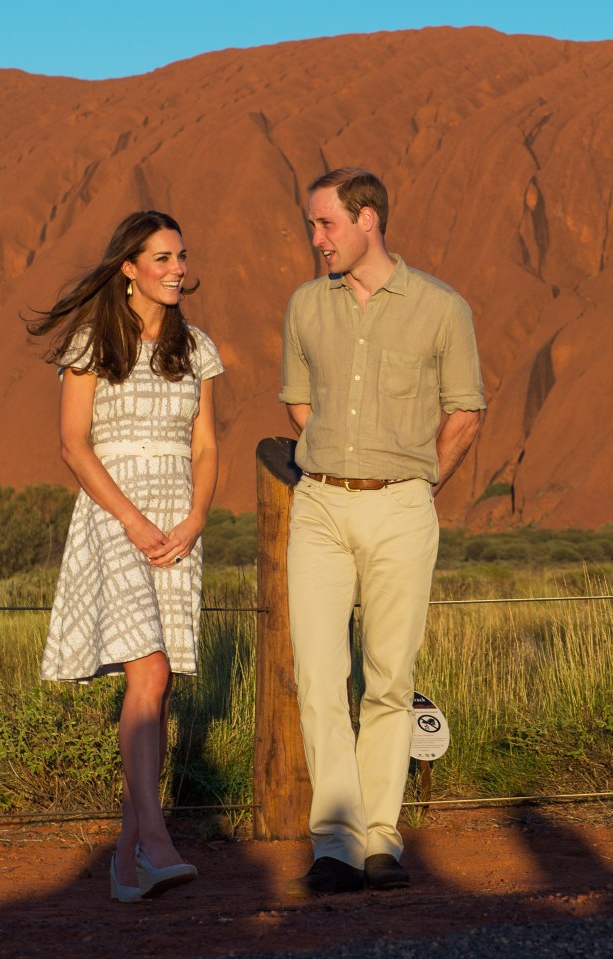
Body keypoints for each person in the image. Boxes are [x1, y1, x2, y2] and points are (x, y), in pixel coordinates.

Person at [279, 167, 485, 897]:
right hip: (321, 507)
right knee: (318, 676)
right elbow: (299, 404)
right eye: (311, 224)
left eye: (325, 223)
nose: (315, 238)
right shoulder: (306, 305)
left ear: (368, 219)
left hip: (402, 505)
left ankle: (379, 839)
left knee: (389, 679)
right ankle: (332, 841)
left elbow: (464, 411)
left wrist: (417, 480)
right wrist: (338, 463)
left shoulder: (439, 308)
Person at [29, 210, 223, 902]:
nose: (177, 268)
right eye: (162, 257)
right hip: (116, 515)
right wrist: (135, 520)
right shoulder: (91, 341)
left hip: (177, 520)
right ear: (129, 269)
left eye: (180, 255)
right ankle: (156, 839)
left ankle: (124, 858)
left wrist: (194, 518)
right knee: (149, 666)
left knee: (156, 683)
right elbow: (73, 444)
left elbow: (205, 445)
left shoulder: (195, 345)